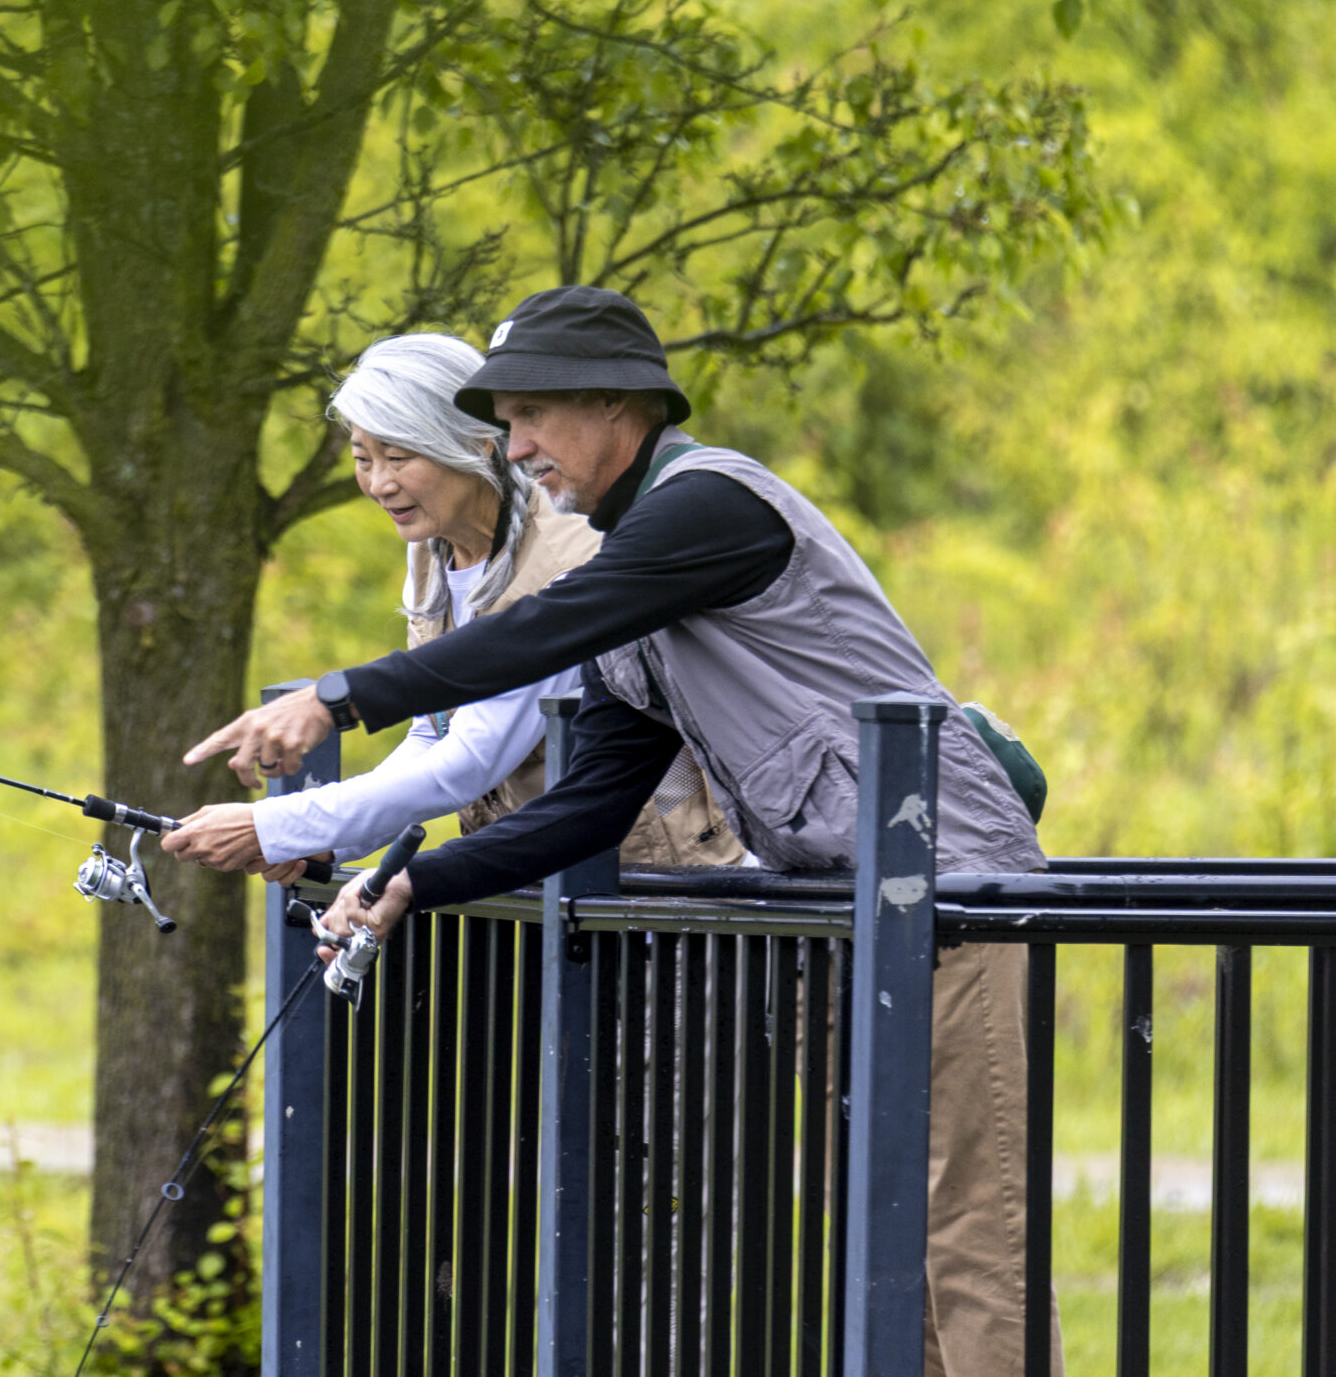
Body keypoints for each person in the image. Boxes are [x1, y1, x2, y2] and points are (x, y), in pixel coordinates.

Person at [183, 285, 1059, 1377]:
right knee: (880, 1234)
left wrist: (343, 696)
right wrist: (416, 883)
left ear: (617, 404)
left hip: (950, 902)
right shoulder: (633, 585)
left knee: (960, 1233)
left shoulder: (707, 509)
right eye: (504, 425)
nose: (517, 448)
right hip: (850, 918)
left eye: (531, 419)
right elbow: (587, 805)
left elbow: (537, 629)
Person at [160, 332, 738, 881]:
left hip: (662, 881)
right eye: (363, 459)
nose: (379, 483)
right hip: (537, 882)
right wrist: (327, 841)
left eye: (399, 457)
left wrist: (275, 825)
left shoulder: (569, 555)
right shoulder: (434, 551)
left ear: (475, 445)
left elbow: (470, 760)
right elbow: (434, 734)